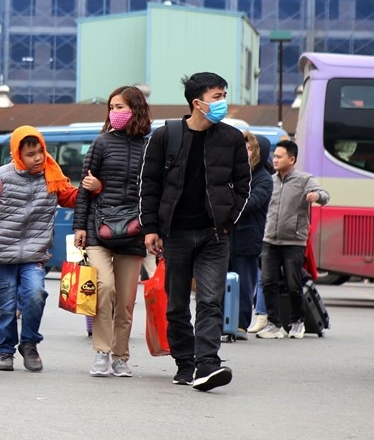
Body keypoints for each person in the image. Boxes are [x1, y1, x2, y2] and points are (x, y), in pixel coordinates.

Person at [138, 72, 250, 391]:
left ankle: (208, 363)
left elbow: (245, 184)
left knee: (211, 300)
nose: (223, 102)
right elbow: (149, 186)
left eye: (224, 95)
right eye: (217, 97)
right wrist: (151, 229)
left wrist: (229, 220)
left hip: (215, 235)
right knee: (176, 304)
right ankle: (185, 362)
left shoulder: (231, 138)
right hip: (175, 234)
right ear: (197, 103)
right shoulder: (167, 135)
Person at [0, 126, 78, 372]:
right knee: (4, 306)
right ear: (17, 154)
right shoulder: (2, 177)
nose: (37, 158)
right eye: (30, 154)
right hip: (3, 253)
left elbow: (71, 198)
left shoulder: (53, 175)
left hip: (34, 254)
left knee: (35, 295)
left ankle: (29, 344)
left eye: (40, 151)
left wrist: (94, 188)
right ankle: (5, 350)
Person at [72, 86, 151, 378]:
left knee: (127, 301)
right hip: (98, 230)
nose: (114, 113)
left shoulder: (150, 147)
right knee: (104, 288)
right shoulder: (101, 143)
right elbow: (84, 188)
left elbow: (152, 191)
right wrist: (79, 225)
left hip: (134, 232)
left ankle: (120, 356)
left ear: (136, 109)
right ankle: (102, 351)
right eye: (111, 107)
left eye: (120, 107)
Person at [256, 140, 330, 339]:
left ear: (292, 159)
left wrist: (316, 196)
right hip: (269, 239)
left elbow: (325, 195)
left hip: (294, 241)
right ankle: (274, 324)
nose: (275, 159)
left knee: (293, 284)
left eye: (279, 156)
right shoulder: (270, 181)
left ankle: (297, 322)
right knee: (268, 282)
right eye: (275, 156)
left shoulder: (304, 180)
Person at [228, 133, 273, 340]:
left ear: (258, 152)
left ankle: (241, 325)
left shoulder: (263, 178)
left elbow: (251, 203)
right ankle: (222, 322)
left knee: (245, 284)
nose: (245, 152)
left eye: (249, 149)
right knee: (221, 282)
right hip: (226, 237)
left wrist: (227, 204)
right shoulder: (233, 172)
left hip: (248, 238)